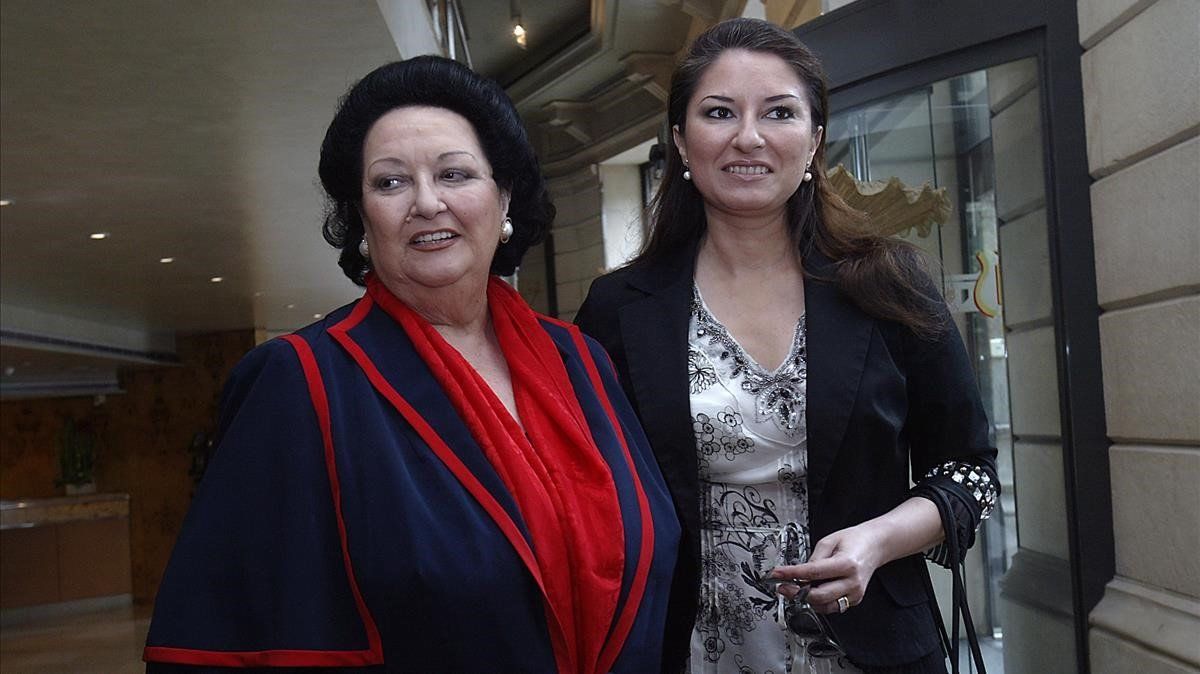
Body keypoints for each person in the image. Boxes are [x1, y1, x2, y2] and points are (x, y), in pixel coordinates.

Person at [143, 55, 680, 673]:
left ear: (503, 195)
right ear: (361, 217)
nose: (426, 202)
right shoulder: (299, 381)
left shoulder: (582, 361)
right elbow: (217, 641)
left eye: (454, 173)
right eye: (390, 183)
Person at [575, 18, 998, 674]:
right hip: (690, 651)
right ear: (682, 140)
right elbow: (587, 492)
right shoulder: (618, 310)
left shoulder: (888, 285)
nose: (749, 137)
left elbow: (970, 470)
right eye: (719, 112)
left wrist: (877, 542)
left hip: (873, 649)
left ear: (814, 140)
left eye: (779, 112)